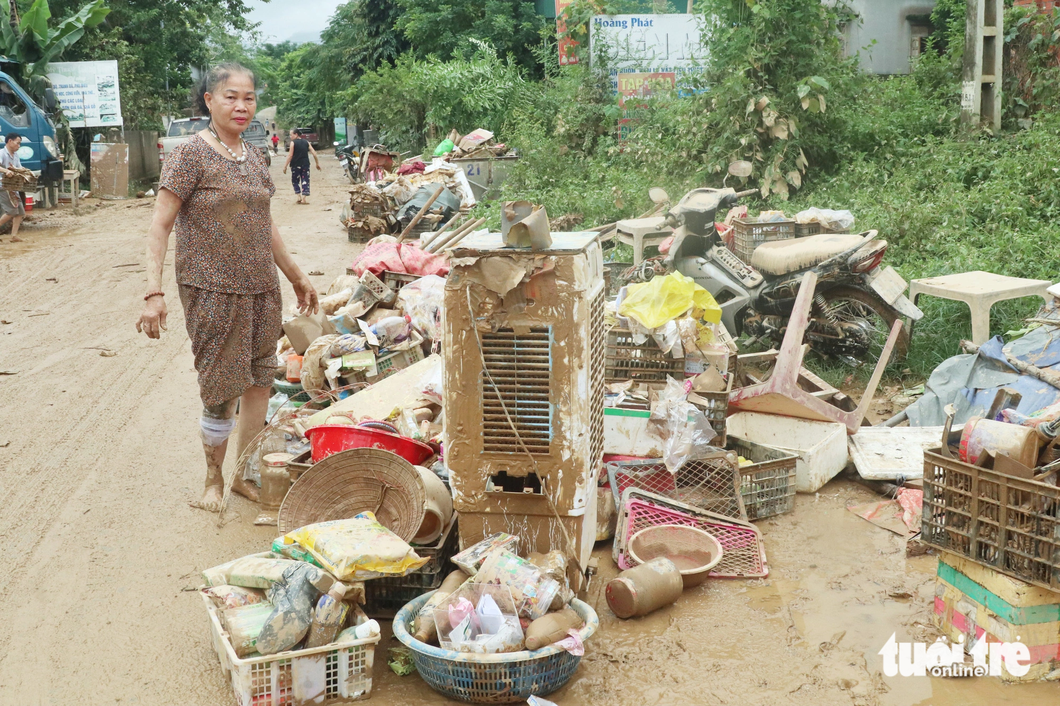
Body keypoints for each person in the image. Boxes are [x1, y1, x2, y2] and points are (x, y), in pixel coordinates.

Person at [135, 63, 319, 513]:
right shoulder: (189, 155)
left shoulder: (255, 156)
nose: (241, 105)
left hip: (261, 288)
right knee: (220, 389)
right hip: (212, 289)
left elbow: (264, 223)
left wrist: (295, 274)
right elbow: (160, 224)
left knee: (259, 383)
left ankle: (241, 474)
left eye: (249, 97)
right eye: (231, 96)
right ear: (209, 101)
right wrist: (152, 292)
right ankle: (212, 479)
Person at [282, 129, 320, 204]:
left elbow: (290, 155)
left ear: (296, 134)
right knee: (305, 179)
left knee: (295, 180)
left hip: (295, 164)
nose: (290, 136)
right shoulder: (306, 142)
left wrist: (285, 166)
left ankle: (298, 196)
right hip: (305, 164)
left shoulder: (293, 143)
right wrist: (317, 163)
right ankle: (304, 198)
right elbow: (314, 153)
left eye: (291, 134)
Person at [0, 132, 25, 242]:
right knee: (11, 212)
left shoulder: (15, 155)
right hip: (3, 186)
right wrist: (6, 170)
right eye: (17, 143)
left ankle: (14, 236)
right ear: (10, 141)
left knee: (20, 212)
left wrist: (26, 172)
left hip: (13, 187)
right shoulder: (1, 153)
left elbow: (19, 168)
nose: (18, 146)